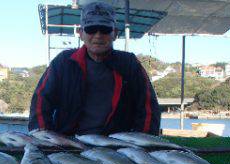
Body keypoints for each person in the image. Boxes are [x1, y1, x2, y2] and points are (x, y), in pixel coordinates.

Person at [29, 1, 160, 135]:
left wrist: (143, 143)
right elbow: (41, 100)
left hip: (116, 146)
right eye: (91, 29)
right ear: (81, 33)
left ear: (114, 33)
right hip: (69, 143)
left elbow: (148, 107)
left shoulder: (129, 64)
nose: (98, 35)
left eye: (104, 29)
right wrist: (44, 136)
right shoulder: (63, 62)